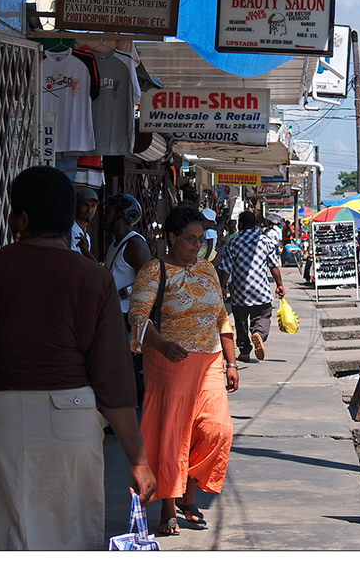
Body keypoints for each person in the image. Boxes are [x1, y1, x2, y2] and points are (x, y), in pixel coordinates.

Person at [0, 166, 155, 550]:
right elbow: (114, 380)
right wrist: (138, 460)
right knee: (69, 532)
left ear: (20, 219)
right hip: (73, 420)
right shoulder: (93, 279)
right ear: (68, 220)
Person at [127, 205, 238, 537]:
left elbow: (222, 317)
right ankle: (169, 507)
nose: (196, 246)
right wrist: (162, 346)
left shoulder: (206, 269)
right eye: (190, 239)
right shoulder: (154, 270)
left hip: (210, 363)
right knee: (173, 438)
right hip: (170, 363)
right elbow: (137, 317)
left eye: (201, 240)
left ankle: (189, 497)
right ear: (172, 237)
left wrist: (231, 362)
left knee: (217, 431)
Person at [219, 211, 285, 362]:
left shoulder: (233, 242)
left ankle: (244, 351)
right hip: (260, 290)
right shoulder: (265, 241)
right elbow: (274, 265)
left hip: (239, 292)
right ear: (255, 224)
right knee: (262, 316)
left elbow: (226, 269)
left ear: (240, 224)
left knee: (241, 322)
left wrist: (222, 287)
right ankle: (259, 334)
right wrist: (279, 285)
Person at [101, 194, 151, 307]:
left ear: (119, 215)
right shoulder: (114, 244)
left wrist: (120, 294)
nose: (103, 217)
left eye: (108, 212)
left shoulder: (135, 245)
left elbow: (147, 283)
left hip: (127, 314)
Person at [71, 186, 99, 261]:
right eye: (85, 205)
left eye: (93, 206)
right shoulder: (71, 231)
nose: (89, 210)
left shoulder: (86, 236)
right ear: (77, 205)